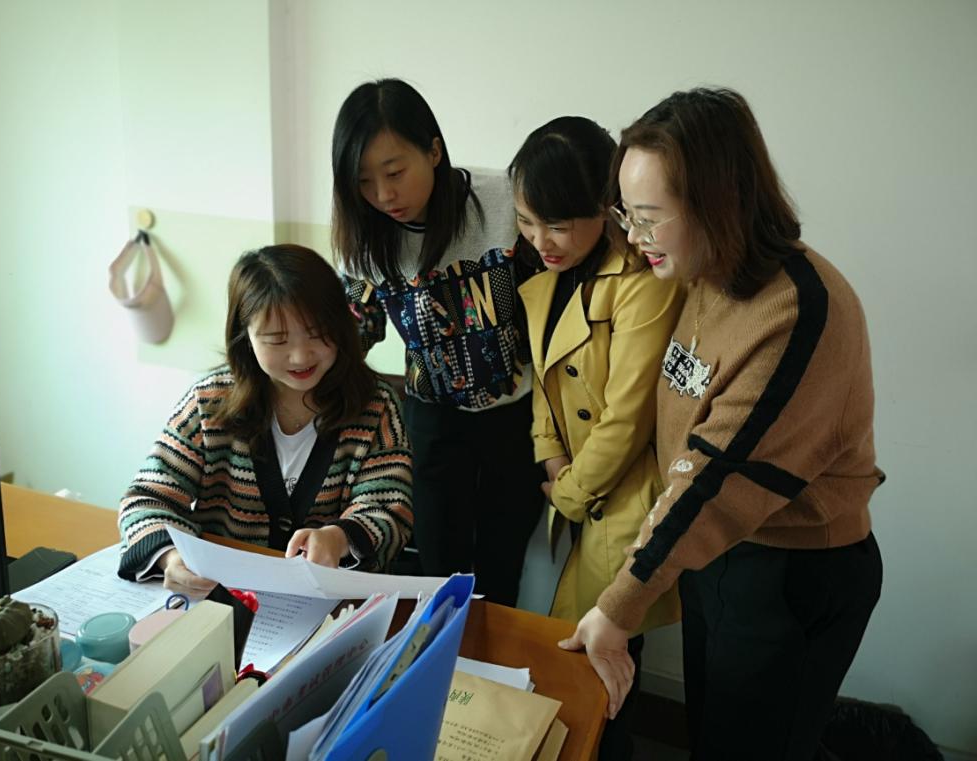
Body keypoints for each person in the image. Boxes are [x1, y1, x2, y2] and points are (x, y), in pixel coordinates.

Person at [560, 88, 884, 761]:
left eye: (649, 218)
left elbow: (714, 477)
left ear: (719, 202)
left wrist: (618, 607)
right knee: (712, 735)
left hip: (791, 568)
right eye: (627, 215)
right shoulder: (704, 271)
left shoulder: (797, 312)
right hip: (718, 550)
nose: (635, 237)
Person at [331, 78, 543, 606]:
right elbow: (351, 331)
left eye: (395, 172)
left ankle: (490, 661)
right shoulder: (365, 238)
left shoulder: (504, 200)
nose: (383, 195)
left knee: (501, 572)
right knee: (437, 573)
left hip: (516, 417)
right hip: (432, 421)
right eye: (364, 181)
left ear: (433, 150)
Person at [510, 116, 683, 759]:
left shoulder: (642, 284)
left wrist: (569, 491)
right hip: (572, 484)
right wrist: (550, 456)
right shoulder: (544, 277)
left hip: (622, 501)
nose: (541, 241)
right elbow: (542, 383)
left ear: (602, 208)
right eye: (527, 222)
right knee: (570, 660)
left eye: (557, 223)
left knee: (605, 675)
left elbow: (627, 418)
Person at [117, 244, 413, 594]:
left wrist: (339, 538)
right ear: (246, 337)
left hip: (331, 604)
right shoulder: (209, 402)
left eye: (317, 333)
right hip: (226, 598)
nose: (300, 356)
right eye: (277, 340)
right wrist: (170, 557)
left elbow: (390, 510)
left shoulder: (375, 406)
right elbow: (146, 498)